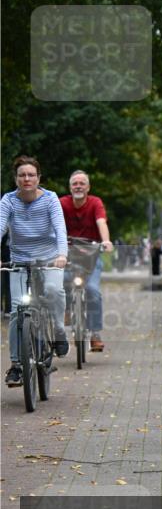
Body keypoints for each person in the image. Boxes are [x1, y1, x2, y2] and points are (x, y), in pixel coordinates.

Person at [1, 156, 69, 387]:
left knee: (53, 291)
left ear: (38, 177)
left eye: (31, 175)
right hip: (20, 260)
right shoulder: (8, 201)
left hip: (49, 260)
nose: (26, 179)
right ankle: (17, 366)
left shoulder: (50, 199)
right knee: (18, 310)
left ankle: (59, 331)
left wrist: (62, 255)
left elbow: (60, 229)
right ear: (16, 179)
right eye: (22, 175)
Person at [59, 170, 114, 352]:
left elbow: (101, 222)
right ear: (70, 187)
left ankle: (95, 334)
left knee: (92, 290)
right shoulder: (63, 203)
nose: (78, 186)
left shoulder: (95, 203)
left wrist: (105, 241)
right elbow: (55, 224)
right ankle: (67, 311)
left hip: (91, 256)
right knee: (64, 282)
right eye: (75, 183)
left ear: (88, 187)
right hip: (68, 255)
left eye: (82, 183)